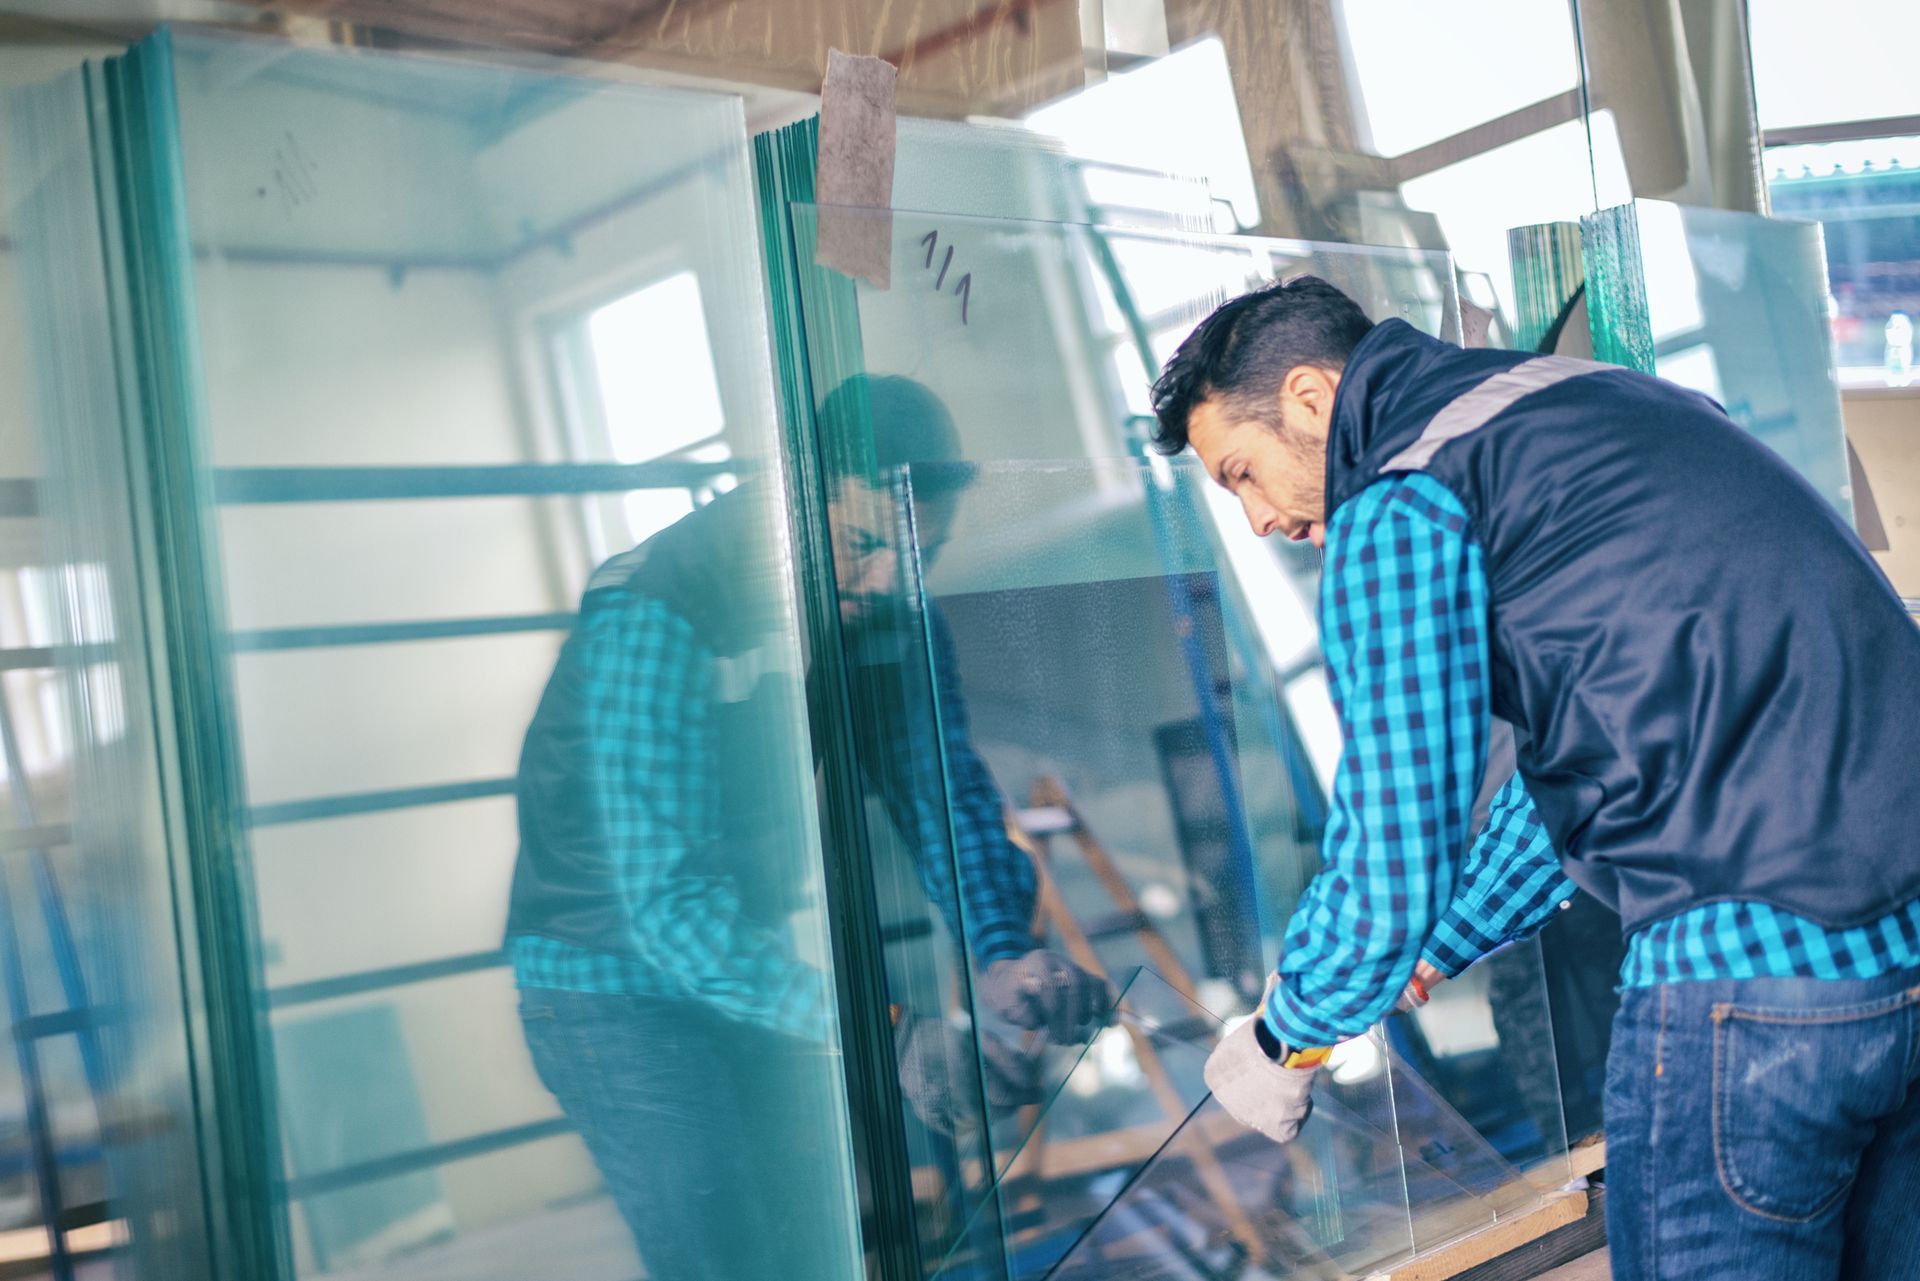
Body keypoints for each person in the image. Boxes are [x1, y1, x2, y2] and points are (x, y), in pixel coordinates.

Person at [1158, 277, 1920, 1280]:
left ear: (1308, 398)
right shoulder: (1612, 403)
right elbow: (1611, 757)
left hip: (1744, 998)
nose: (1256, 518)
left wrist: (1283, 1038)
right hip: (1895, 967)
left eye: (1242, 474)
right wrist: (1436, 939)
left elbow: (1393, 849)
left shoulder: (1405, 493)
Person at [503, 375, 1108, 1280]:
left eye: (920, 551)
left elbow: (944, 798)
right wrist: (892, 1031)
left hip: (734, 957)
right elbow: (666, 912)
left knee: (814, 1246)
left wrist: (1000, 951)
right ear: (793, 500)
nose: (891, 580)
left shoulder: (890, 599)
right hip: (607, 986)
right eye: (862, 543)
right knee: (728, 1255)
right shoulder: (660, 613)